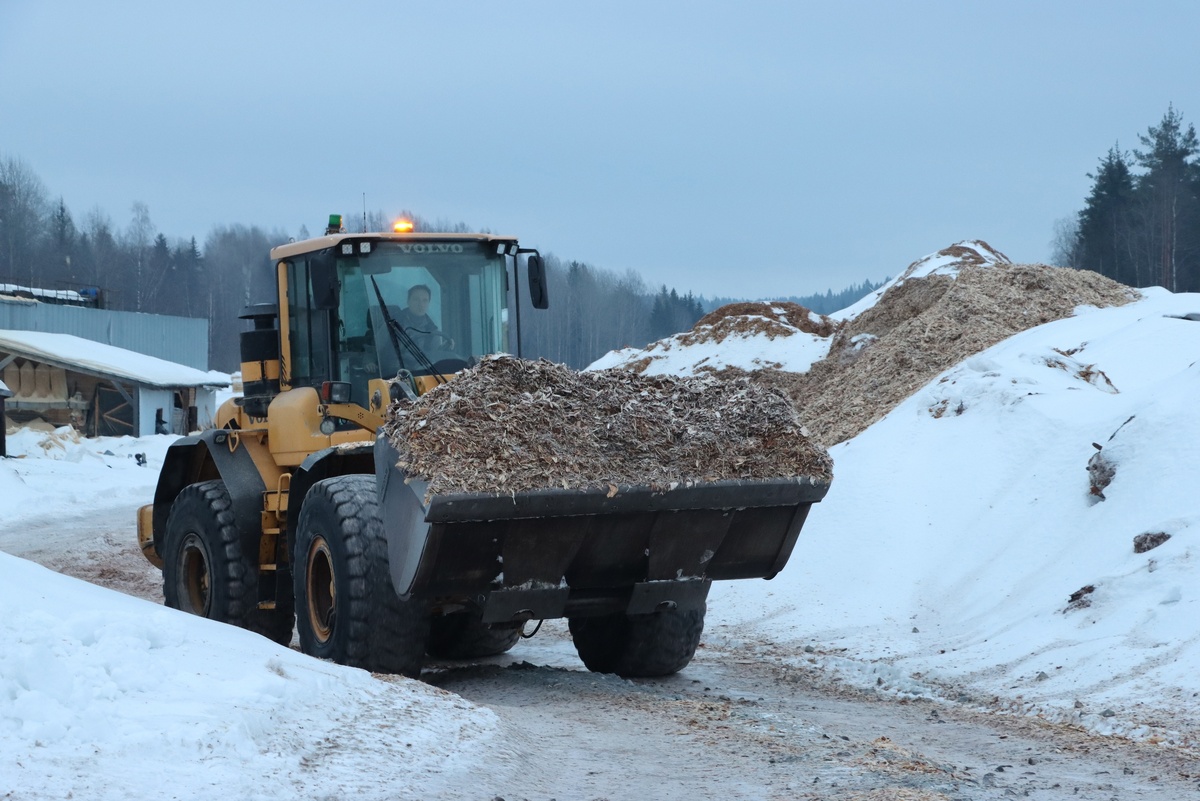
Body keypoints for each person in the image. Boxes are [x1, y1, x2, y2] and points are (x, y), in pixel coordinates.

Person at [394, 284, 453, 352]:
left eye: (425, 300)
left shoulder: (432, 330)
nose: (421, 304)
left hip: (422, 362)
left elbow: (434, 357)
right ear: (408, 301)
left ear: (428, 303)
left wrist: (443, 348)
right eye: (416, 299)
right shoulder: (394, 322)